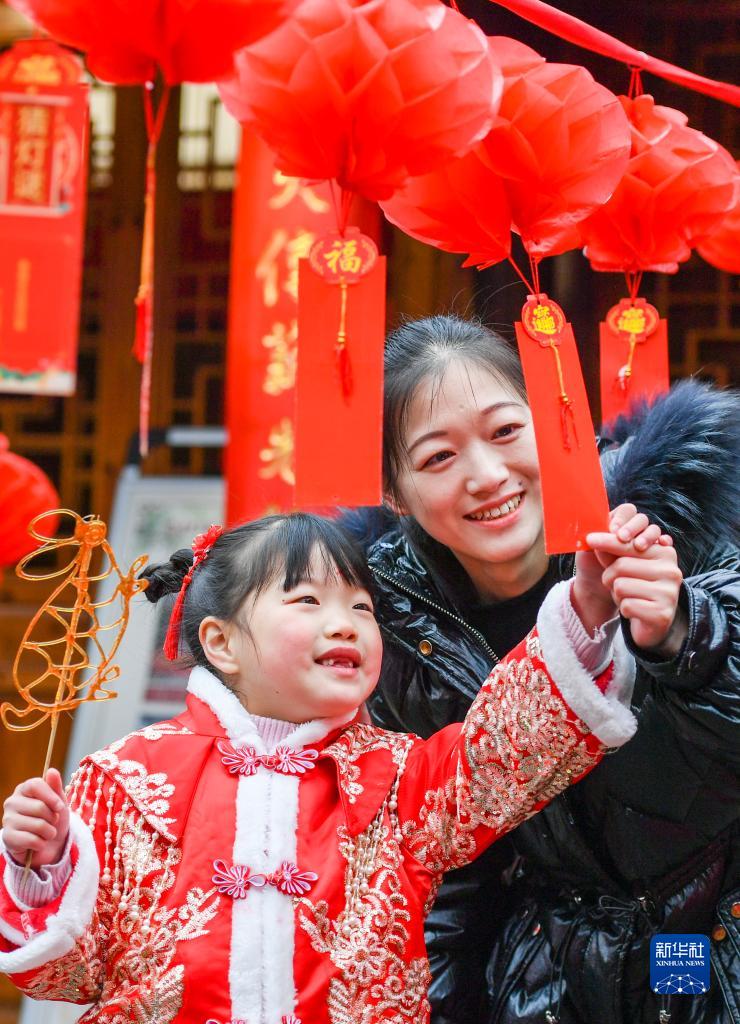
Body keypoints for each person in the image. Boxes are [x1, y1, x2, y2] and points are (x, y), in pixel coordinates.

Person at [0, 509, 675, 1024]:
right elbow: (68, 976)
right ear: (221, 643)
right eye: (307, 601)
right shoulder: (124, 779)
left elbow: (499, 751)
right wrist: (44, 868)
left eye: (361, 607)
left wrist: (587, 610)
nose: (346, 623)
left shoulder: (399, 777)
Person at [347, 315, 740, 1024]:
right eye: (439, 457)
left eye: (506, 431)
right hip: (549, 979)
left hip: (718, 936)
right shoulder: (391, 625)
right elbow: (442, 870)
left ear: (556, 428)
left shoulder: (678, 512)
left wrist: (685, 632)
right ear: (395, 493)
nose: (487, 476)